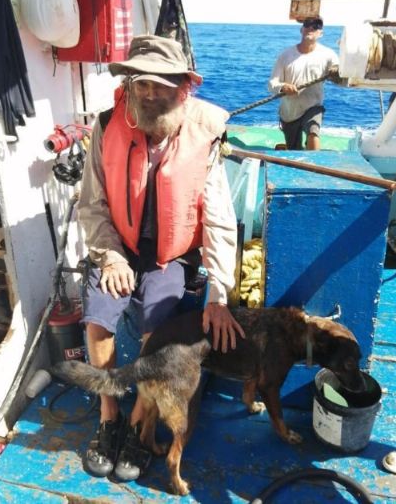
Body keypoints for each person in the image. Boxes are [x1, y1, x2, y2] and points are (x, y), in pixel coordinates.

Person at [76, 35, 244, 482]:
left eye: (162, 84)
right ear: (130, 84)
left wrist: (219, 292)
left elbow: (220, 218)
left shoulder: (205, 136)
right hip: (120, 248)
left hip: (173, 255)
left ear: (183, 88)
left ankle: (137, 425)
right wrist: (110, 257)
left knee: (158, 328)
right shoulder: (107, 124)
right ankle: (109, 415)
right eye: (142, 84)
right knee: (98, 315)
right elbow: (91, 205)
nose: (151, 94)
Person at [268, 17, 340, 150]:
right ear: (301, 29)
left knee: (313, 132)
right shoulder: (285, 55)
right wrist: (283, 87)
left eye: (316, 26)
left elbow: (340, 73)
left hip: (313, 107)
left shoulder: (329, 55)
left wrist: (336, 73)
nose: (311, 28)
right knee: (294, 149)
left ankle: (313, 167)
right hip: (289, 111)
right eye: (307, 24)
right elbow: (272, 83)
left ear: (321, 33)